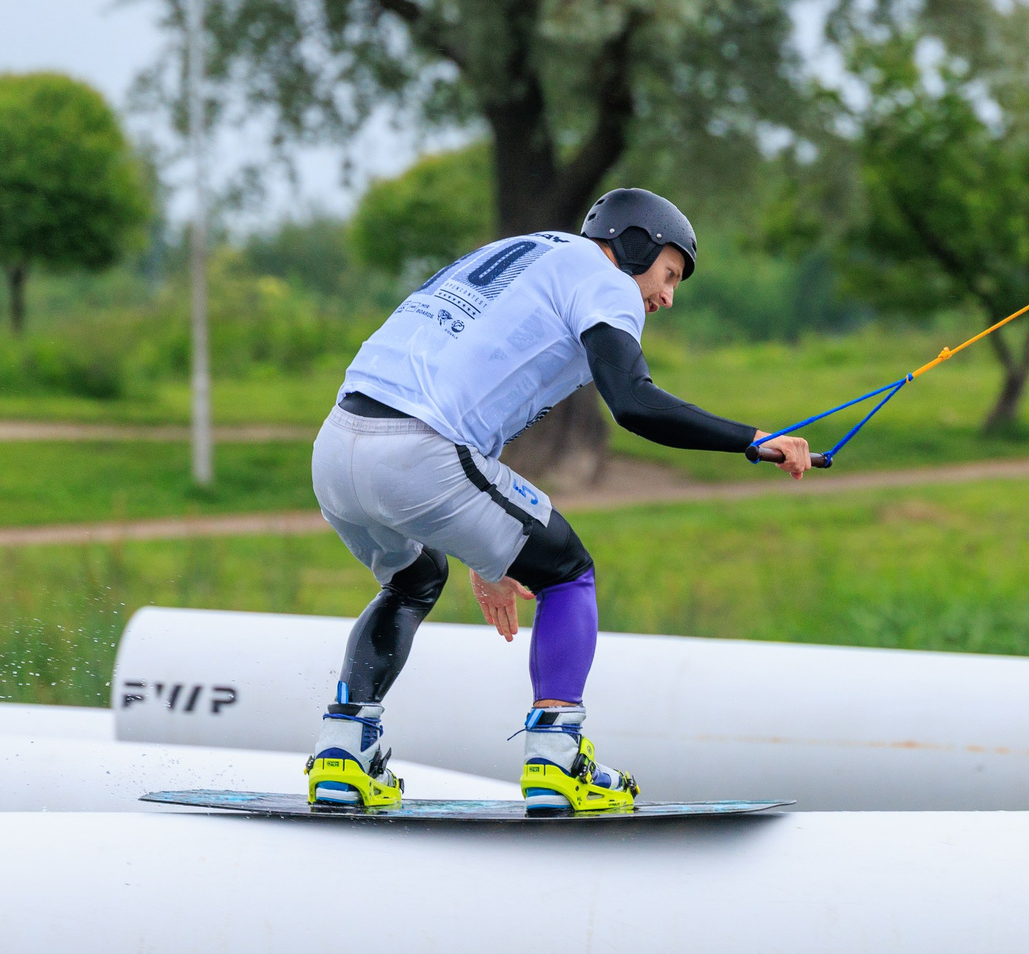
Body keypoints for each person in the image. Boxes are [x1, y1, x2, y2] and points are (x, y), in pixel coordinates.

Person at [308, 188, 813, 813]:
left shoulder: (523, 253)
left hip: (336, 450)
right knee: (568, 572)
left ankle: (343, 751)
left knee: (413, 582)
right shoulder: (606, 281)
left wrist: (486, 554)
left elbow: (461, 389)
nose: (666, 298)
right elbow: (634, 404)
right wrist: (751, 441)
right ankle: (556, 754)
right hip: (421, 453)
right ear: (635, 247)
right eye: (669, 274)